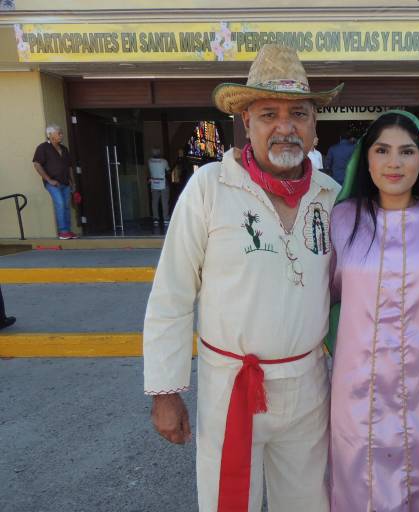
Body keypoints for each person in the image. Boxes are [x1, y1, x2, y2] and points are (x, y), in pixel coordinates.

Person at [143, 44, 344, 512]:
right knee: (227, 502)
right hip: (230, 385)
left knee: (309, 503)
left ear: (314, 126)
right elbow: (172, 293)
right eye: (269, 114)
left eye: (299, 114)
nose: (285, 127)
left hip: (308, 384)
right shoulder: (210, 187)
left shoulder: (332, 196)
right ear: (247, 122)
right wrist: (166, 390)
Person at [329, 111, 419, 511]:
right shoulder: (341, 219)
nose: (394, 163)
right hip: (355, 388)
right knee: (355, 484)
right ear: (365, 160)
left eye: (407, 151)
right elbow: (325, 294)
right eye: (382, 150)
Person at [32, 124, 78, 240]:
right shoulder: (43, 148)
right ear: (50, 135)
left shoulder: (64, 149)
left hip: (66, 183)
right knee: (60, 204)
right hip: (53, 183)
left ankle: (68, 231)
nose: (61, 135)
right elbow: (37, 164)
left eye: (61, 133)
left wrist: (72, 181)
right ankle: (63, 232)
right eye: (59, 133)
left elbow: (69, 166)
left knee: (66, 206)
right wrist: (49, 180)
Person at [147, 148, 171, 226]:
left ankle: (156, 219)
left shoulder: (149, 161)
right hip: (163, 183)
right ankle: (166, 219)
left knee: (154, 202)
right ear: (160, 153)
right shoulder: (164, 161)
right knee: (164, 202)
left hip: (154, 183)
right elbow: (168, 171)